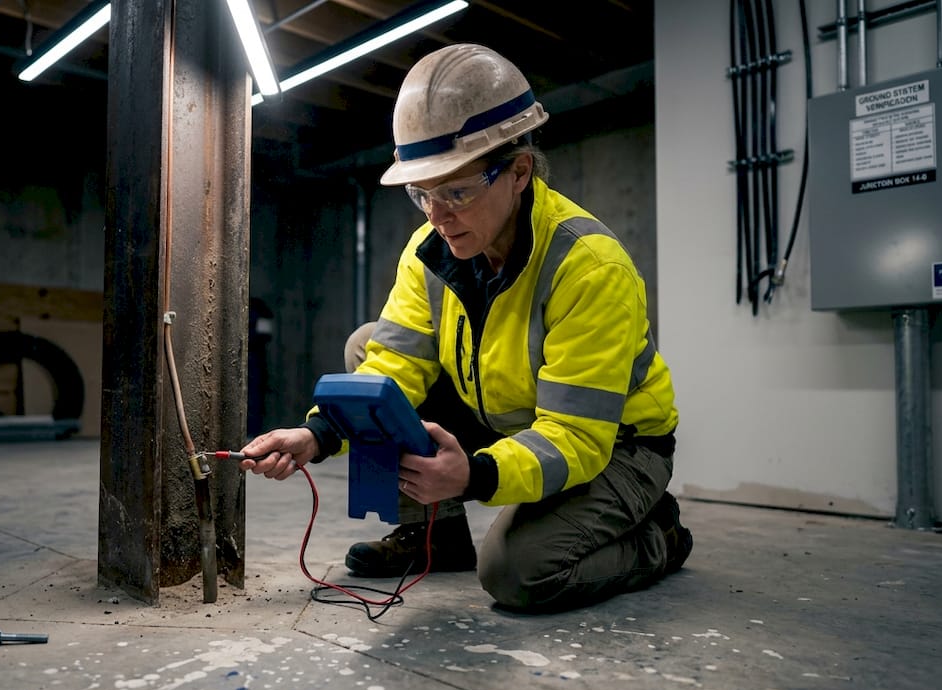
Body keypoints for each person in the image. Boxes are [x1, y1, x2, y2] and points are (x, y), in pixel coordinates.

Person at [240, 43, 690, 613]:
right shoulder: (430, 251)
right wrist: (318, 436)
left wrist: (474, 475)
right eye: (422, 193)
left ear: (519, 171)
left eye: (456, 190)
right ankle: (434, 535)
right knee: (366, 347)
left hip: (616, 446)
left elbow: (577, 437)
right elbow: (394, 364)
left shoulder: (588, 268)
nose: (437, 213)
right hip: (512, 415)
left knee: (517, 573)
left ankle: (659, 536)